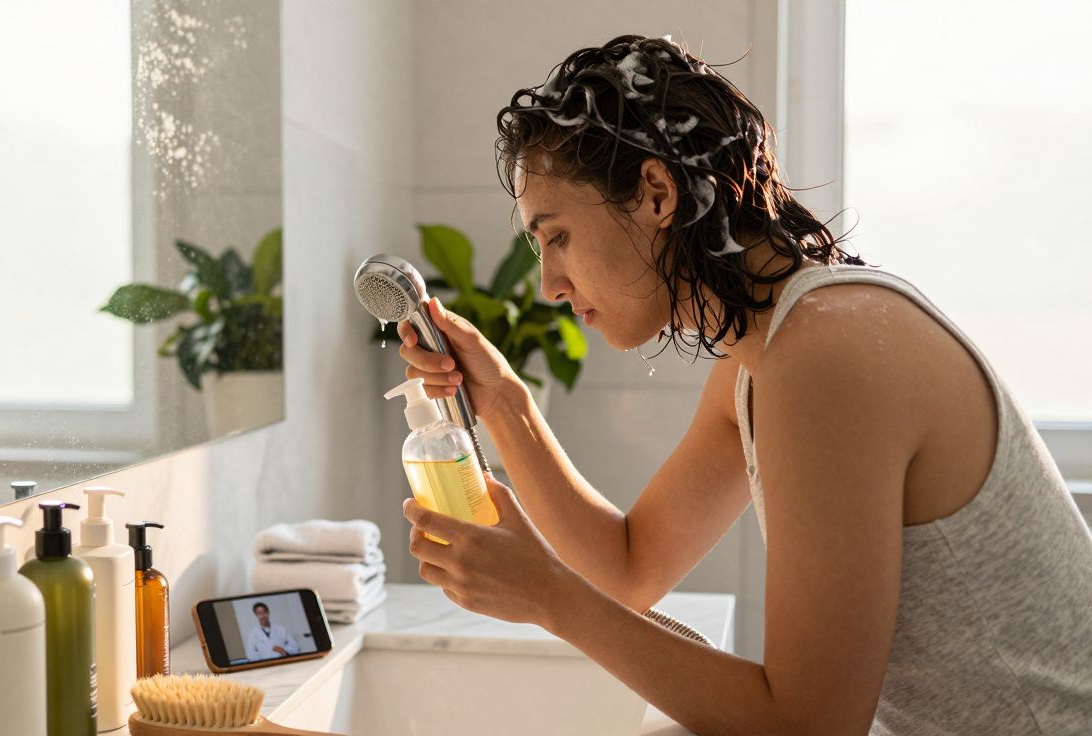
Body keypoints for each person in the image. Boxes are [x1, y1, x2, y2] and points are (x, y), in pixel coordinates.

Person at [395, 35, 1092, 735]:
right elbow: (631, 568)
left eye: (557, 237)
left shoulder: (825, 356)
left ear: (656, 193)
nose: (548, 285)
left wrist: (546, 594)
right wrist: (505, 403)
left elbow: (807, 726)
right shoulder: (770, 356)